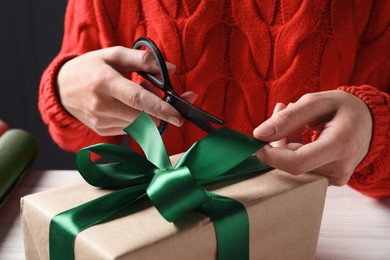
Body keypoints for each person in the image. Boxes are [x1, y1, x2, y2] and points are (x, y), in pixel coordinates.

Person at [38, 1, 389, 198]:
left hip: (325, 226)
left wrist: (374, 131)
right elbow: (80, 138)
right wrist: (66, 88)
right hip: (159, 219)